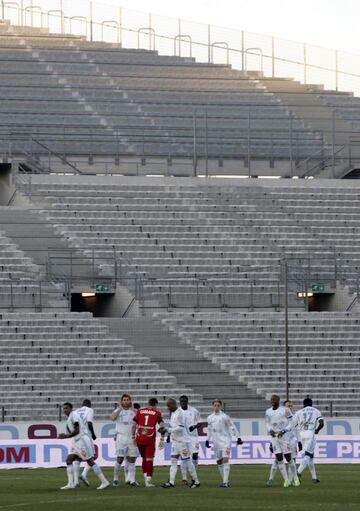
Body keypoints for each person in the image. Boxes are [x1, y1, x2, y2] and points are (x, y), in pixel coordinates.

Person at [58, 402, 109, 490]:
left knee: (90, 461)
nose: (65, 410)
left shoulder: (74, 415)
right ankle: (71, 483)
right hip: (76, 441)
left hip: (82, 441)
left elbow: (77, 430)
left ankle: (104, 481)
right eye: (64, 408)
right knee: (69, 460)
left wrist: (66, 436)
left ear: (71, 408)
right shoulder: (71, 416)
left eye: (66, 408)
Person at [161, 398, 200, 489]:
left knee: (187, 461)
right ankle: (171, 482)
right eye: (167, 406)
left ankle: (196, 481)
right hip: (175, 441)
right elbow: (173, 426)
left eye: (169, 405)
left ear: (173, 404)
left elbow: (181, 427)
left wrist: (168, 430)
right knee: (173, 461)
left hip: (183, 442)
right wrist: (168, 434)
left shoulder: (180, 413)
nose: (168, 407)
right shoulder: (173, 413)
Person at [205, 399, 243, 488]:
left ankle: (225, 483)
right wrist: (207, 440)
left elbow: (232, 426)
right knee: (219, 462)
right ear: (212, 406)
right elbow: (209, 430)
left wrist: (238, 437)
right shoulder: (210, 417)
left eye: (218, 405)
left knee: (225, 460)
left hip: (226, 441)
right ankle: (225, 481)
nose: (216, 407)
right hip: (216, 442)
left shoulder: (225, 417)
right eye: (215, 405)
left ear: (220, 406)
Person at [265, 395, 300, 488]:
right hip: (274, 437)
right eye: (272, 399)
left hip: (284, 436)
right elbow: (267, 423)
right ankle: (286, 480)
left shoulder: (285, 410)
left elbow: (292, 422)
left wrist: (284, 430)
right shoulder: (268, 412)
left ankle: (296, 478)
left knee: (289, 458)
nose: (273, 401)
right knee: (279, 458)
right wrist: (270, 430)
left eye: (274, 399)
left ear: (278, 400)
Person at [132, 397, 165, 487]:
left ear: (148, 403)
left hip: (139, 437)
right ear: (155, 405)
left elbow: (134, 425)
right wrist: (162, 436)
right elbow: (161, 424)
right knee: (149, 459)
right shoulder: (157, 412)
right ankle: (148, 481)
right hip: (149, 438)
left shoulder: (140, 411)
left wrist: (133, 437)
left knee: (143, 458)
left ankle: (145, 477)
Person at [111, 394, 139, 487]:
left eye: (128, 400)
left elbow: (140, 419)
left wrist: (133, 409)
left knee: (132, 459)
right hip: (121, 437)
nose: (126, 401)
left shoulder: (134, 411)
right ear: (121, 401)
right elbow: (113, 418)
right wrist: (119, 408)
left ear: (130, 401)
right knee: (120, 458)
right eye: (124, 400)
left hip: (131, 437)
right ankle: (115, 478)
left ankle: (132, 480)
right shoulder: (118, 410)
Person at [295, 397, 324, 483]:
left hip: (301, 434)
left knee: (310, 456)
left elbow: (294, 425)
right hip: (310, 433)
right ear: (311, 404)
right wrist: (317, 430)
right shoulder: (316, 411)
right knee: (308, 455)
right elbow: (321, 423)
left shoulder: (299, 412)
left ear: (303, 404)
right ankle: (298, 472)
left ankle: (314, 478)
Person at [178, 395, 202, 486]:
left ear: (187, 401)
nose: (183, 403)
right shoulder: (178, 412)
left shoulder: (194, 410)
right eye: (181, 401)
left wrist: (194, 426)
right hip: (183, 437)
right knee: (184, 457)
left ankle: (193, 476)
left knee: (195, 455)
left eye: (184, 401)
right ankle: (184, 478)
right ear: (180, 402)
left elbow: (200, 421)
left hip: (193, 437)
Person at [75, 399, 96, 487]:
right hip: (86, 436)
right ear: (89, 405)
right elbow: (89, 423)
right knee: (91, 456)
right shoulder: (89, 410)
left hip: (77, 437)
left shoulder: (76, 411)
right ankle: (84, 474)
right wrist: (94, 434)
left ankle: (75, 481)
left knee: (78, 458)